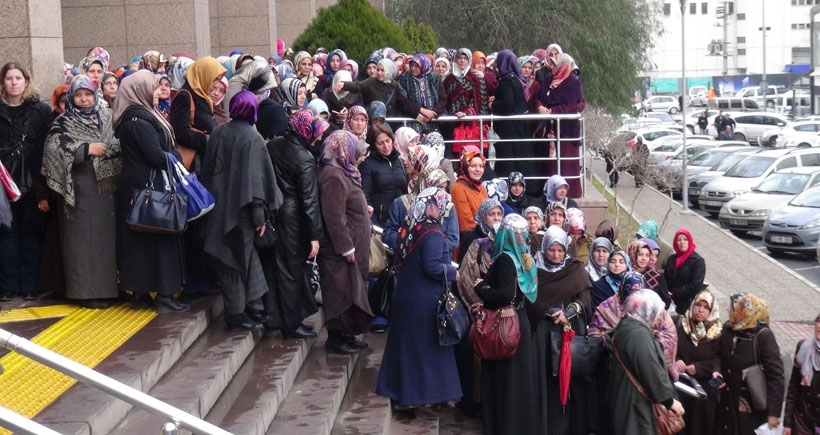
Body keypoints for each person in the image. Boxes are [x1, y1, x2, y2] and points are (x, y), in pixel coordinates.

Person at [375, 187, 461, 416]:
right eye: (438, 204)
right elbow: (432, 266)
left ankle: (405, 396)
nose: (442, 208)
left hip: (406, 296)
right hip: (423, 301)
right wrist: (453, 273)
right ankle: (423, 397)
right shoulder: (432, 233)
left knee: (407, 350)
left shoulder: (410, 227)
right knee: (426, 351)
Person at [201, 90, 282, 330]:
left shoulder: (219, 132)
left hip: (219, 208)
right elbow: (257, 183)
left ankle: (253, 308)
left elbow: (210, 170)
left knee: (236, 257)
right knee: (237, 260)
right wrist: (260, 216)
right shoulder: (253, 138)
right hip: (244, 212)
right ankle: (237, 313)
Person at [112, 70, 189, 313]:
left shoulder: (137, 116)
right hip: (149, 187)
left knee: (140, 240)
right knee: (160, 237)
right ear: (140, 90)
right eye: (154, 88)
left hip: (139, 187)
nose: (158, 92)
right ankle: (165, 295)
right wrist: (176, 155)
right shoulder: (139, 120)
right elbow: (156, 156)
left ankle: (141, 292)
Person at [42, 75, 121, 309]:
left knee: (105, 242)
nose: (84, 99)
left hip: (108, 187)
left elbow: (118, 141)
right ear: (72, 97)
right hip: (80, 189)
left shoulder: (107, 116)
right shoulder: (63, 122)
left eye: (88, 94)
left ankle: (108, 289)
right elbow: (52, 149)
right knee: (82, 242)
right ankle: (85, 292)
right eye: (79, 95)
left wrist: (110, 149)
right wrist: (85, 149)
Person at [263, 111, 328, 338]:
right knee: (292, 270)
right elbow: (309, 201)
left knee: (277, 268)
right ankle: (291, 323)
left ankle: (275, 316)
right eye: (316, 133)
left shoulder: (274, 145)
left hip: (274, 212)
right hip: (293, 219)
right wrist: (314, 236)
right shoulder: (305, 158)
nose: (319, 138)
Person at [474, 213, 539, 434]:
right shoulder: (524, 256)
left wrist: (481, 287)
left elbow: (503, 295)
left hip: (502, 326)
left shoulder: (505, 258)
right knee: (518, 383)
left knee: (503, 382)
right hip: (519, 322)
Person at [526, 225, 594, 434]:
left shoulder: (575, 269)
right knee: (545, 382)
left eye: (560, 250)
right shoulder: (535, 272)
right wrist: (547, 312)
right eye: (551, 250)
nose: (556, 255)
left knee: (567, 383)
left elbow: (585, 302)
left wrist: (569, 313)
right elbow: (530, 303)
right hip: (543, 336)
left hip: (567, 334)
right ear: (544, 248)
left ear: (566, 250)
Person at [316, 130, 374, 354]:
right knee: (339, 293)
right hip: (339, 250)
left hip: (352, 246)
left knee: (350, 292)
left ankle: (347, 335)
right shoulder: (332, 174)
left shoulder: (343, 170)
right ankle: (336, 338)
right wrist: (345, 246)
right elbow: (333, 215)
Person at [0, 63, 53, 301]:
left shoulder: (40, 110)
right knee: (7, 235)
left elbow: (48, 146)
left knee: (32, 235)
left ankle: (30, 284)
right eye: (9, 78)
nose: (13, 82)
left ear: (26, 81)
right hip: (3, 183)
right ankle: (9, 285)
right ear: (3, 82)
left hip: (33, 182)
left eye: (18, 78)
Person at [607, 290, 685, 435]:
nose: (659, 317)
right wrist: (670, 401)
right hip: (635, 405)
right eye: (657, 312)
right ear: (648, 311)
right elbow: (650, 370)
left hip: (623, 399)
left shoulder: (626, 325)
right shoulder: (639, 334)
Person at [714, 294, 785, 435]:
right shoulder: (729, 328)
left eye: (735, 308)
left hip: (751, 406)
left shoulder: (763, 336)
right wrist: (717, 371)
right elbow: (718, 354)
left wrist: (773, 413)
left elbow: (776, 376)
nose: (729, 310)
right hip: (727, 402)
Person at [675, 290, 722, 435]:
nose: (700, 310)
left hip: (705, 391)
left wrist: (699, 368)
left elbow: (722, 360)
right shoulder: (680, 324)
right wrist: (675, 361)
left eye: (706, 307)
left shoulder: (719, 332)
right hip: (680, 386)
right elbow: (667, 347)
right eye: (697, 305)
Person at [540, 53, 586, 197]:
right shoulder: (548, 80)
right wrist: (540, 107)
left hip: (567, 130)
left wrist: (553, 111)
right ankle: (551, 192)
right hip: (550, 131)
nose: (552, 67)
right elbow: (539, 97)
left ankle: (569, 194)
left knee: (566, 162)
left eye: (555, 64)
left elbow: (573, 106)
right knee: (552, 163)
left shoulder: (573, 82)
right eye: (551, 64)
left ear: (563, 66)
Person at [490, 49, 534, 180]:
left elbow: (508, 104)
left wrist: (493, 105)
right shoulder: (514, 78)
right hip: (517, 128)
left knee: (510, 160)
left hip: (511, 129)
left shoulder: (507, 80)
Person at [359, 124, 407, 227]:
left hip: (402, 220)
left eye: (388, 141)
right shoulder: (367, 164)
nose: (386, 146)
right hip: (381, 223)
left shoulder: (401, 162)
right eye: (380, 143)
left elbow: (406, 191)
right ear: (373, 145)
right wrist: (374, 224)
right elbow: (365, 196)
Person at [784, 312, 820, 435]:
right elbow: (794, 386)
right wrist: (787, 422)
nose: (819, 326)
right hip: (802, 420)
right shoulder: (804, 348)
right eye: (818, 321)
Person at [396, 53, 446, 134]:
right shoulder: (404, 78)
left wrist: (432, 113)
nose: (412, 68)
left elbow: (443, 99)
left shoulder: (434, 78)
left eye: (416, 66)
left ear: (424, 66)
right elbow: (402, 101)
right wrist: (421, 110)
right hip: (412, 121)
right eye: (411, 65)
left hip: (432, 122)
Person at [664, 229, 706, 315]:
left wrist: (675, 293)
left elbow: (696, 285)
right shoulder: (671, 259)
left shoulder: (698, 261)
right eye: (679, 240)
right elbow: (665, 278)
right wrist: (665, 292)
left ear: (690, 241)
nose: (682, 242)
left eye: (685, 239)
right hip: (669, 302)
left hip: (687, 305)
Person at [450, 149, 489, 241]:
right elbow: (466, 226)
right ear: (465, 167)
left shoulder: (481, 189)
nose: (478, 170)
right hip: (469, 244)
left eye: (481, 166)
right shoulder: (458, 189)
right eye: (473, 166)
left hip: (485, 240)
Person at [627, 239, 670, 307]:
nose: (644, 258)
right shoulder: (624, 273)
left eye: (647, 255)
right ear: (633, 254)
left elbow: (666, 301)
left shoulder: (656, 276)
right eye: (640, 254)